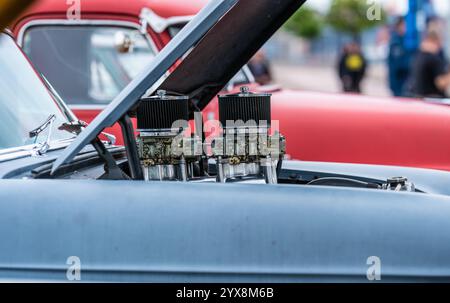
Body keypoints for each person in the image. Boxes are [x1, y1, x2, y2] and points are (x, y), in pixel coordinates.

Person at [408, 31, 450, 98]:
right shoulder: (433, 59)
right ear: (436, 41)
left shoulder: (417, 56)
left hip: (419, 98)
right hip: (433, 100)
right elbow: (441, 83)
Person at [388, 17, 410, 97]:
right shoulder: (396, 42)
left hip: (401, 82)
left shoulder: (402, 40)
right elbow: (398, 64)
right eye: (404, 25)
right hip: (398, 82)